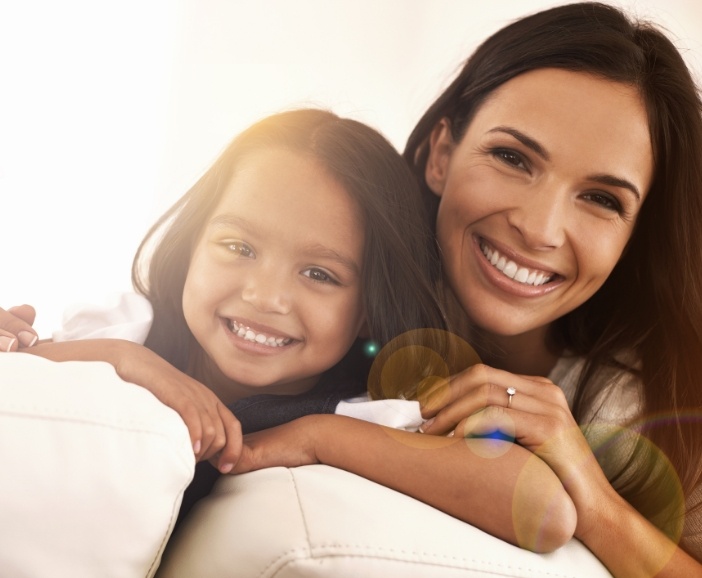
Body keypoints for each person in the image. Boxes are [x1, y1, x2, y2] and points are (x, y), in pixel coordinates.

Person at [9, 2, 700, 571]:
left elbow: (540, 506)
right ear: (439, 151)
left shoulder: (644, 390)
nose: (541, 228)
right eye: (512, 157)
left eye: (603, 199)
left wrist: (590, 488)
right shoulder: (354, 252)